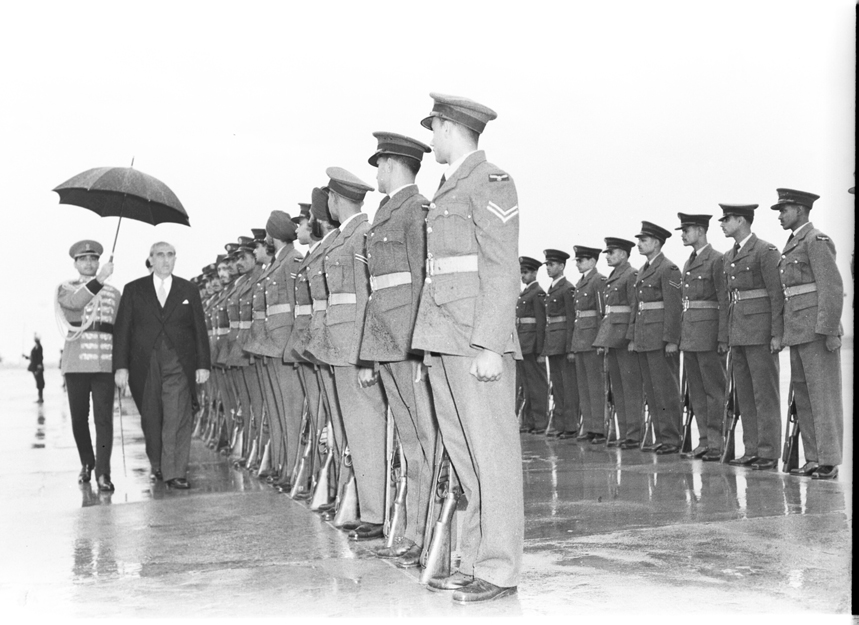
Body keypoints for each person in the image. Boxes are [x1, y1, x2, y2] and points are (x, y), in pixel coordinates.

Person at [412, 93, 523, 604]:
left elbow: (502, 268)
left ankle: (498, 569)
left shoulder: (491, 180)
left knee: (492, 457)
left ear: (451, 127)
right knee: (466, 458)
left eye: (433, 128)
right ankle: (474, 561)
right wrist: (429, 345)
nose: (430, 138)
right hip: (443, 337)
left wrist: (489, 345)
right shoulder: (447, 186)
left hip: (474, 341)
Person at [360, 131, 437, 566]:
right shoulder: (387, 211)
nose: (376, 172)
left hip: (407, 342)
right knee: (409, 443)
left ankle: (424, 534)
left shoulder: (415, 210)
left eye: (379, 164)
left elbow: (423, 281)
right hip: (387, 341)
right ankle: (413, 532)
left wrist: (423, 346)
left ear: (392, 163)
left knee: (423, 442)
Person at [307, 166, 388, 542]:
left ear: (338, 200)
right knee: (352, 432)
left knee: (366, 431)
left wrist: (368, 355)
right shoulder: (345, 237)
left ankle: (376, 512)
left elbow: (372, 296)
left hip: (355, 348)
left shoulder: (362, 235)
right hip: (341, 347)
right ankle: (364, 507)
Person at [113, 242, 210, 489]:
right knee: (151, 418)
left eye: (170, 255)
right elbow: (122, 331)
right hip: (144, 365)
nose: (166, 260)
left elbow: (200, 329)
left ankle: (175, 472)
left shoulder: (188, 289)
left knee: (176, 416)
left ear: (175, 259)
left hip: (178, 362)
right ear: (151, 259)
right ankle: (157, 463)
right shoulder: (134, 290)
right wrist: (121, 367)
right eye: (160, 255)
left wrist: (202, 364)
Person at [772, 189, 843, 479]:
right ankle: (813, 457)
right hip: (798, 330)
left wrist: (827, 330)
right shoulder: (792, 244)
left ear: (800, 209)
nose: (779, 215)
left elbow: (831, 287)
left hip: (816, 329)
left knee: (823, 397)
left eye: (784, 209)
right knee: (804, 397)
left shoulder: (816, 240)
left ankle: (829, 459)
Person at [719, 204, 783, 470]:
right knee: (744, 395)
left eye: (727, 219)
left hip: (759, 332)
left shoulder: (765, 251)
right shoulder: (727, 256)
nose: (722, 224)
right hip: (738, 332)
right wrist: (726, 335)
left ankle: (768, 452)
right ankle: (752, 448)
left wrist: (777, 333)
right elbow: (727, 299)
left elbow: (776, 294)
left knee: (764, 394)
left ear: (742, 220)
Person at [56, 240, 120, 491]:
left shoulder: (114, 293)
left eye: (94, 259)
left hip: (104, 362)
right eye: (84, 259)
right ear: (75, 263)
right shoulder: (65, 289)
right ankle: (87, 462)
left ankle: (103, 473)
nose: (89, 263)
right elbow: (74, 305)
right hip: (76, 364)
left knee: (104, 420)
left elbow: (120, 329)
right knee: (78, 419)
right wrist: (99, 280)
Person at [626, 222, 683, 454]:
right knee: (652, 390)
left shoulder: (668, 269)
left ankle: (671, 438)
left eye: (644, 240)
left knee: (666, 391)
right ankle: (661, 437)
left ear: (657, 243)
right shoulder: (642, 270)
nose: (639, 244)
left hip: (660, 339)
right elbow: (636, 307)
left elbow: (674, 307)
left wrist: (671, 339)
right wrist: (632, 337)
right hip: (644, 338)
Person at [675, 213, 728, 461]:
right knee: (696, 392)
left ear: (700, 230)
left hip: (708, 334)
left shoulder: (716, 260)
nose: (683, 235)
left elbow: (724, 301)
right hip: (691, 335)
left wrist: (722, 337)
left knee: (714, 391)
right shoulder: (690, 261)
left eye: (686, 230)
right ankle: (704, 441)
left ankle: (717, 443)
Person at [594, 237, 643, 448]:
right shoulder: (614, 276)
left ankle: (634, 434)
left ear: (623, 254)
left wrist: (632, 337)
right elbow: (609, 313)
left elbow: (635, 307)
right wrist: (604, 340)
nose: (607, 256)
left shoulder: (630, 275)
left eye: (611, 252)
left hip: (624, 338)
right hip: (613, 337)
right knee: (619, 389)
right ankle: (624, 434)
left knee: (630, 390)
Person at [570, 245, 607, 443]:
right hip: (580, 339)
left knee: (595, 386)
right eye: (577, 260)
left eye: (581, 260)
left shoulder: (598, 281)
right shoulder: (581, 282)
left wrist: (601, 340)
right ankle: (590, 427)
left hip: (592, 339)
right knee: (584, 387)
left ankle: (599, 429)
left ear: (592, 261)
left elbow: (602, 313)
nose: (577, 264)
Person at [540, 249, 579, 438]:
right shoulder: (552, 288)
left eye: (552, 264)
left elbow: (571, 319)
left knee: (568, 387)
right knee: (558, 387)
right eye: (547, 264)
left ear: (562, 266)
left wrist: (571, 347)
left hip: (564, 344)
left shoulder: (567, 288)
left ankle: (570, 426)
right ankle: (560, 424)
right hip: (554, 343)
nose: (548, 268)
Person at [516, 256, 549, 434]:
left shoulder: (538, 293)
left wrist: (542, 350)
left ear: (535, 273)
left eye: (526, 272)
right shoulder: (525, 293)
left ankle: (540, 422)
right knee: (528, 387)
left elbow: (541, 323)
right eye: (521, 272)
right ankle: (529, 422)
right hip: (524, 345)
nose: (523, 276)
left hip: (534, 346)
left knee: (537, 386)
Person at [24, 334, 45, 403]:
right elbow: (33, 358)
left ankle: (40, 398)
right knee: (38, 382)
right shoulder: (36, 347)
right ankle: (40, 398)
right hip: (35, 368)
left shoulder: (39, 347)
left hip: (37, 368)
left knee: (40, 382)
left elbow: (39, 358)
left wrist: (38, 369)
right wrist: (26, 357)